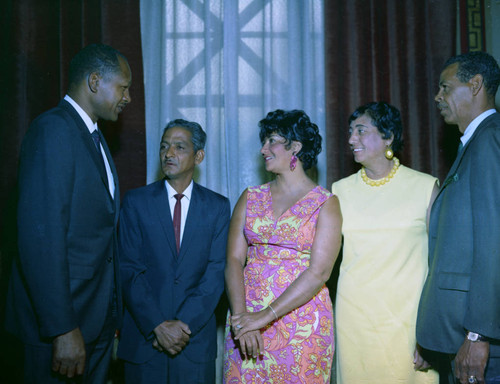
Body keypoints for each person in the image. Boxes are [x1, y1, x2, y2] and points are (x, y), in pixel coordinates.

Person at [5, 44, 132, 383]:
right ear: (94, 81)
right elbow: (40, 239)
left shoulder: (94, 137)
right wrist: (62, 328)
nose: (128, 97)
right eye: (123, 87)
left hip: (96, 322)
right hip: (61, 330)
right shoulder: (54, 130)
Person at [223, 109, 342, 383]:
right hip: (246, 318)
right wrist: (242, 320)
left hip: (301, 322)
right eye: (263, 141)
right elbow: (232, 259)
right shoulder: (250, 197)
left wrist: (264, 317)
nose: (263, 148)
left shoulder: (326, 203)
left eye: (272, 140)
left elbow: (319, 273)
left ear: (296, 147)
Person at [331, 101, 440, 383]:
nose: (351, 139)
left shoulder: (426, 186)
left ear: (388, 137)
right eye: (350, 132)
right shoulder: (339, 191)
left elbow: (440, 261)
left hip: (410, 321)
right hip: (354, 320)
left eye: (360, 131)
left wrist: (431, 333)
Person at [117, 119, 230, 383]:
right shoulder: (135, 202)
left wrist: (181, 328)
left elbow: (216, 273)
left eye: (179, 147)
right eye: (164, 146)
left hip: (192, 344)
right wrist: (157, 326)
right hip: (144, 343)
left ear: (198, 156)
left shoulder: (218, 207)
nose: (169, 154)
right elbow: (128, 268)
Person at [417, 51, 500, 384]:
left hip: (476, 340)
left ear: (475, 84)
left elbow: (494, 242)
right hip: (458, 335)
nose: (438, 97)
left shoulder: (489, 141)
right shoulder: (475, 143)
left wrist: (478, 335)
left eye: (445, 87)